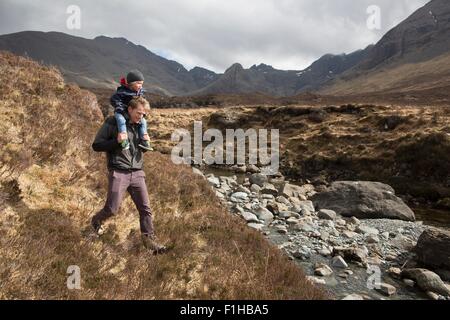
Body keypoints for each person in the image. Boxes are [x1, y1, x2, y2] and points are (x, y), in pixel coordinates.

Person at [91, 96, 166, 254]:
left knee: (145, 209)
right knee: (112, 209)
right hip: (119, 172)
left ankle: (149, 240)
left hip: (138, 172)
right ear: (130, 109)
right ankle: (96, 221)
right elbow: (96, 145)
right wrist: (117, 142)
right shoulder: (113, 123)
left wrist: (146, 144)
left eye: (144, 114)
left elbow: (140, 148)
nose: (141, 116)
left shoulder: (140, 126)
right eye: (139, 113)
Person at [110, 69, 152, 151]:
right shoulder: (122, 91)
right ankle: (123, 140)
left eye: (142, 84)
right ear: (131, 83)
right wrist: (121, 109)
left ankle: (144, 140)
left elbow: (143, 103)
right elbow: (114, 100)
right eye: (138, 83)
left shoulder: (140, 92)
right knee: (121, 120)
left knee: (143, 122)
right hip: (121, 112)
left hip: (134, 113)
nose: (140, 86)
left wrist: (143, 112)